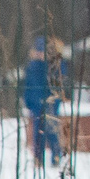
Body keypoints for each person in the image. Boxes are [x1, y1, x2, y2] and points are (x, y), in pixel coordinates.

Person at [22, 36, 64, 167]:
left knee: (52, 130)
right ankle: (38, 159)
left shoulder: (55, 64)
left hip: (50, 103)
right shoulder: (32, 65)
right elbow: (28, 85)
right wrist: (28, 100)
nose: (40, 54)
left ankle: (56, 157)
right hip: (35, 103)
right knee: (37, 133)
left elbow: (58, 83)